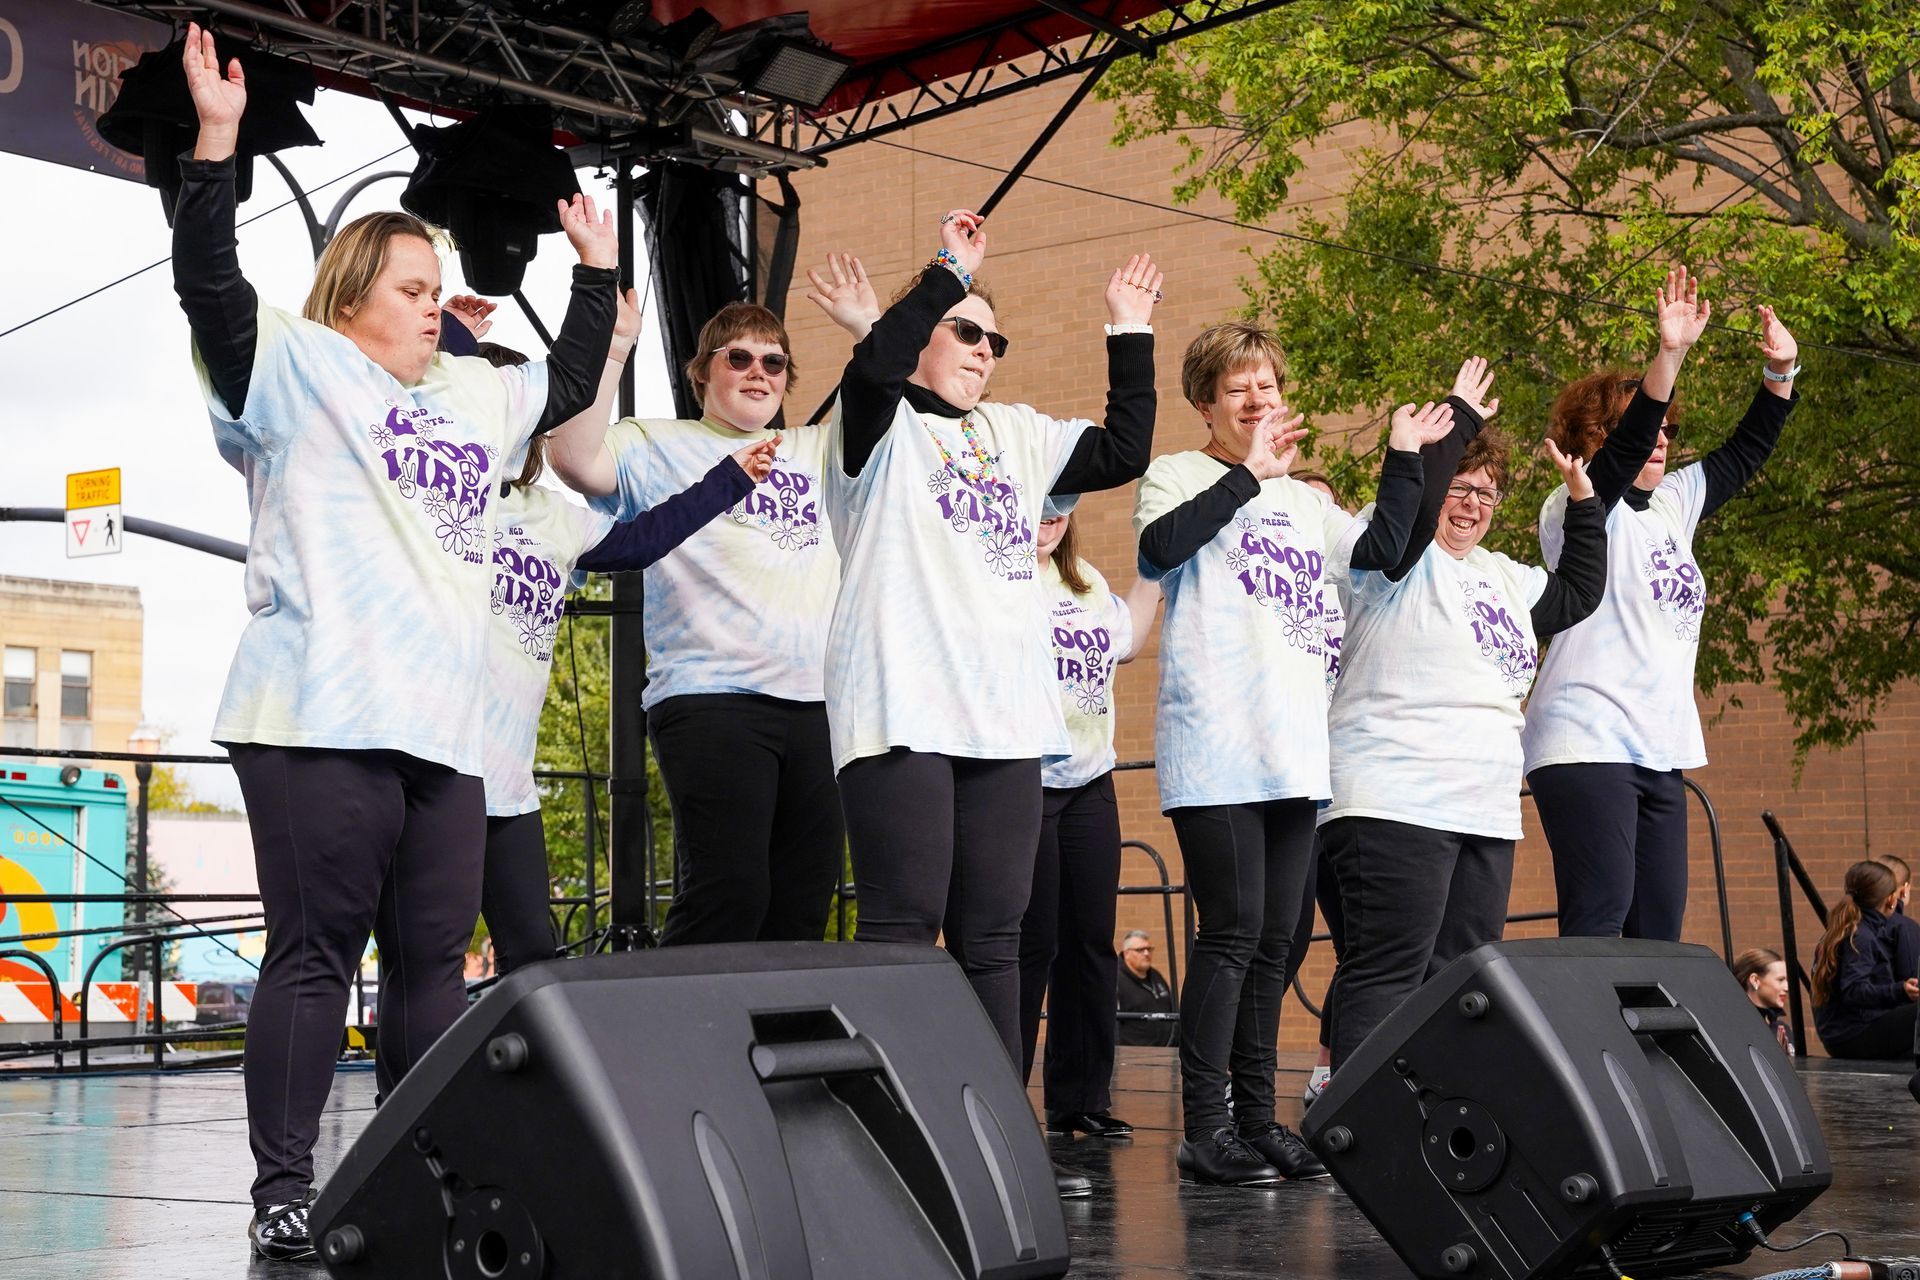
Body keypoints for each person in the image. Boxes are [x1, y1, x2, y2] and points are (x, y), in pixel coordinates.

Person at [169, 24, 617, 1260]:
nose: (435, 308)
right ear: (354, 293)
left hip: (445, 722)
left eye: (437, 291)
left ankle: (417, 1165)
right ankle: (283, 1185)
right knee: (316, 951)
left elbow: (567, 381)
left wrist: (592, 269)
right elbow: (210, 283)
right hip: (317, 709)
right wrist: (218, 144)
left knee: (432, 963)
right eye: (413, 291)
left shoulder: (472, 393)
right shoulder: (298, 367)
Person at [814, 219, 1161, 1198]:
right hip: (905, 709)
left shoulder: (1017, 434)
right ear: (923, 331)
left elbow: (1126, 444)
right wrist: (944, 278)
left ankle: (993, 1138)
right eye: (968, 332)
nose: (984, 352)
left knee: (995, 939)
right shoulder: (874, 427)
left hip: (1006, 719)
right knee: (901, 922)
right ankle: (886, 1138)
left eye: (995, 340)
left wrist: (1126, 330)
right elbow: (876, 365)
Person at [1133, 320, 1457, 1186]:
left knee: (1279, 944)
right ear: (1207, 403)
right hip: (1216, 747)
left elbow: (1385, 552)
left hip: (1293, 752)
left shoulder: (1306, 504)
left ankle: (1254, 1118)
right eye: (1238, 388)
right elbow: (1157, 550)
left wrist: (1407, 454)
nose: (1256, 400)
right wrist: (1246, 478)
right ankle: (1205, 1129)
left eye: (1267, 386)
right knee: (1231, 935)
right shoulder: (1181, 474)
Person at [446, 307, 778, 974]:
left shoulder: (550, 517)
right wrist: (452, 340)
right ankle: (408, 1083)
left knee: (533, 955)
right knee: (426, 952)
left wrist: (729, 479)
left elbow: (642, 540)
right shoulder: (436, 499)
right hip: (430, 772)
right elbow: (407, 389)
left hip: (507, 785)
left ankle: (527, 1083)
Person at [1320, 357, 1609, 1074]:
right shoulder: (1393, 552)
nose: (1475, 503)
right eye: (1462, 485)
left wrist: (1583, 501)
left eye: (1489, 493)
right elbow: (1407, 518)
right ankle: (1357, 1124)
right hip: (1395, 797)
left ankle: (1427, 1120)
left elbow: (1576, 594)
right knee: (1389, 972)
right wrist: (1453, 423)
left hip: (1481, 808)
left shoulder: (1502, 576)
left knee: (1459, 980)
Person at [543, 296, 845, 947]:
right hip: (711, 695)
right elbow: (571, 458)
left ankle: (777, 1042)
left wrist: (867, 324)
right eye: (738, 357)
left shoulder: (816, 448)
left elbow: (889, 408)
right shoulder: (656, 440)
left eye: (774, 362)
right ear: (701, 372)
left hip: (816, 701)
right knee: (729, 890)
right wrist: (615, 346)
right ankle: (683, 1043)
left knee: (802, 900)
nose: (758, 371)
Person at [1524, 269, 1801, 942]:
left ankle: (1643, 1054)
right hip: (1585, 740)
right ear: (1591, 440)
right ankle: (1581, 1050)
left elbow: (1747, 451)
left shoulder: (1675, 502)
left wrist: (1781, 371)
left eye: (1669, 431)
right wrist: (1669, 355)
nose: (1659, 441)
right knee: (1601, 914)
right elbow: (1620, 455)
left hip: (1657, 747)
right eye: (1642, 431)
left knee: (1658, 930)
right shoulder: (1578, 504)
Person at [1016, 507, 1162, 1140]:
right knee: (1030, 946)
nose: (1048, 518)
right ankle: (1003, 1104)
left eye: (1059, 508)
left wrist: (1156, 572)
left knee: (1089, 944)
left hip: (1089, 781)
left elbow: (1125, 643)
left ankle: (1081, 1100)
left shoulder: (1087, 583)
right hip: (1025, 780)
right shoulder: (1001, 577)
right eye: (1036, 504)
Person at [1286, 468, 1348, 1106]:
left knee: (1363, 943)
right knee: (1282, 936)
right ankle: (1225, 1079)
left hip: (1354, 790)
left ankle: (1330, 1067)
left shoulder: (1361, 593)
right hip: (1293, 785)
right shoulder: (1280, 593)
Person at [1811, 861, 1918, 1063]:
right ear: (1891, 901)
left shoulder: (1849, 929)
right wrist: (1899, 990)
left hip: (1843, 1033)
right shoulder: (1860, 936)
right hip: (1852, 1034)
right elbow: (1853, 991)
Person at [1116, 929, 1178, 1048]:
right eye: (1140, 950)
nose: (1146, 953)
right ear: (1126, 954)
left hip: (1165, 1052)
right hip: (1133, 1057)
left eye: (1149, 949)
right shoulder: (1116, 981)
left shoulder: (1155, 976)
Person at [1732, 947, 1795, 1056]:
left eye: (1786, 980)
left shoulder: (1782, 1028)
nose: (1787, 987)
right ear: (1755, 980)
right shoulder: (1736, 1028)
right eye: (1780, 980)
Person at [1874, 854, 1920, 982]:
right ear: (1904, 890)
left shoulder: (1847, 920)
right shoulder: (1904, 927)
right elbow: (1912, 982)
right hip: (1893, 1000)